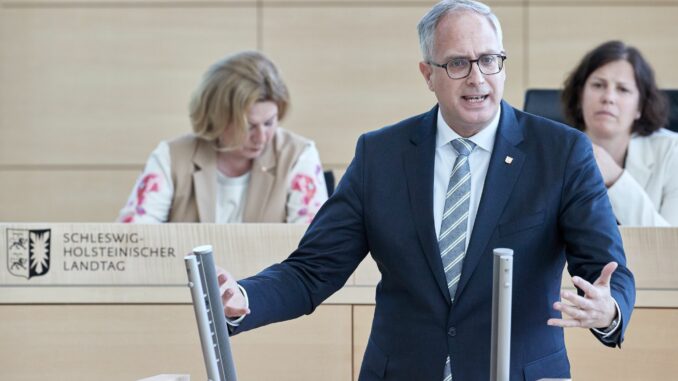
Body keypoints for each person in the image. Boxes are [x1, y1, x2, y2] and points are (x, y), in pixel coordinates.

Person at [217, 1, 635, 380]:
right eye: (457, 63)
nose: (477, 78)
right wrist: (245, 297)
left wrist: (608, 309)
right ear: (427, 74)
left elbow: (607, 270)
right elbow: (312, 270)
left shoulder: (561, 153)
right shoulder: (380, 155)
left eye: (489, 60)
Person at [118, 51, 328, 223]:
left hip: (268, 276)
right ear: (216, 118)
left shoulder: (299, 155)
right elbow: (135, 240)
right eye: (248, 125)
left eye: (269, 122)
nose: (262, 137)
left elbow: (313, 249)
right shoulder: (172, 156)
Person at [562, 40, 678, 226]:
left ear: (640, 106)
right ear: (579, 96)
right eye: (598, 85)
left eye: (623, 89)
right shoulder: (555, 149)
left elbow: (672, 245)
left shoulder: (672, 151)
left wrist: (616, 178)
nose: (608, 97)